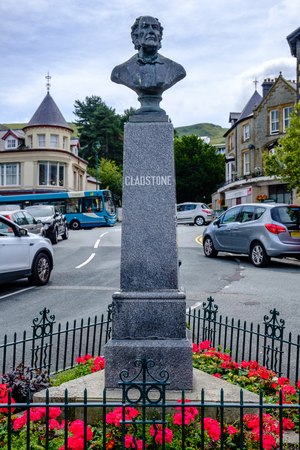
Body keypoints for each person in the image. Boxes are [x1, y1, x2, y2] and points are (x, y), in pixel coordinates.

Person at [111, 16, 186, 115]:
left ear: (160, 36)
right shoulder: (120, 71)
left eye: (155, 28)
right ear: (135, 36)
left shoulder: (175, 69)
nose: (151, 31)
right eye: (145, 27)